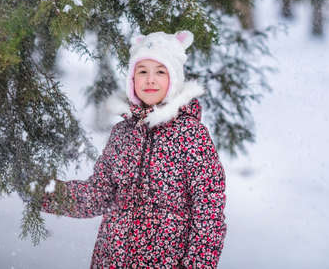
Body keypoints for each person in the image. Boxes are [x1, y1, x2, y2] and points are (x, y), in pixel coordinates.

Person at [41, 30, 227, 268]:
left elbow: (209, 212)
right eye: (142, 72)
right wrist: (45, 192)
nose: (150, 80)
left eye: (160, 72)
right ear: (132, 80)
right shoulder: (122, 133)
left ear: (174, 79)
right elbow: (99, 195)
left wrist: (197, 265)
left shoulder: (191, 136)